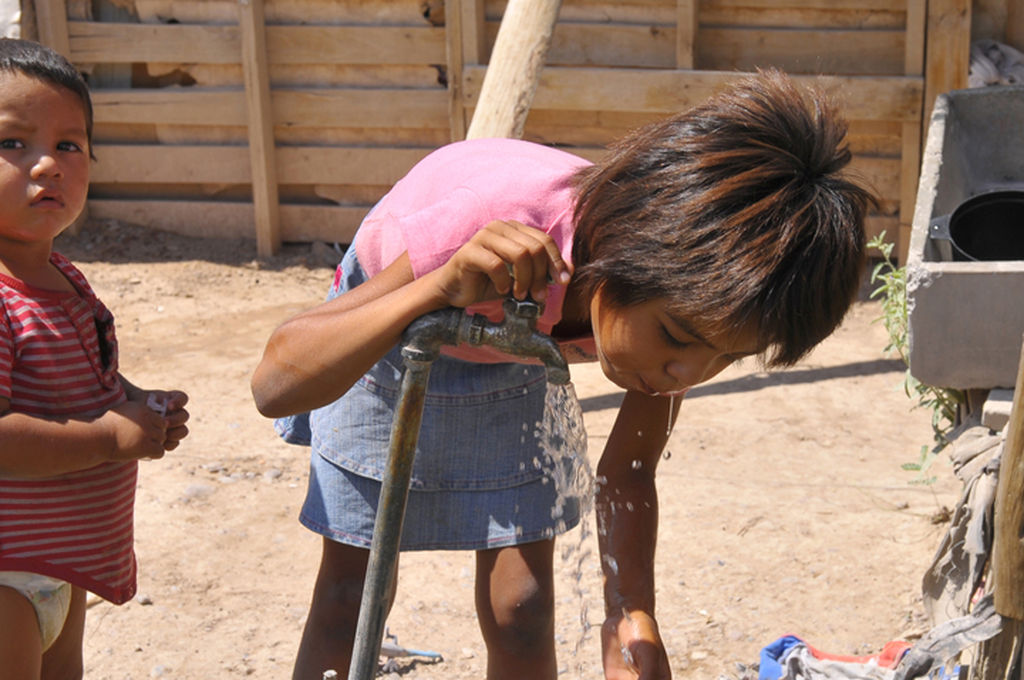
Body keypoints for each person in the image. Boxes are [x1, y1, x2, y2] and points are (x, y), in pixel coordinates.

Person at [251, 68, 873, 680]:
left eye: (729, 358)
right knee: (351, 597)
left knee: (521, 607)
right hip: (403, 315)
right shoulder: (493, 241)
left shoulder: (693, 298)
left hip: (514, 347)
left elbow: (630, 468)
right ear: (616, 257)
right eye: (679, 340)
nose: (690, 372)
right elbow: (274, 384)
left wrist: (630, 615)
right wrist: (436, 288)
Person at [0, 38, 191, 680]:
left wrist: (135, 404)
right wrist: (111, 436)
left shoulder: (65, 278)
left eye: (69, 145)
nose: (47, 165)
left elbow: (83, 378)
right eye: (12, 144)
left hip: (58, 566)